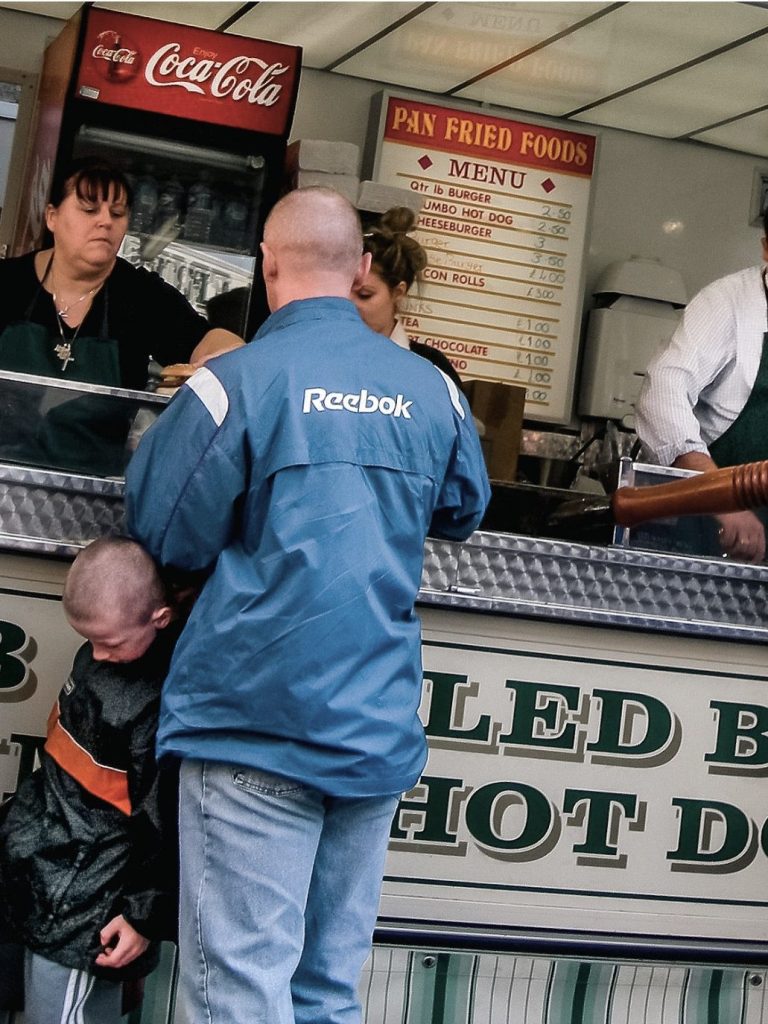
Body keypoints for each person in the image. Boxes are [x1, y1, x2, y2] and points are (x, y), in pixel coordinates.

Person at [125, 185, 490, 1024]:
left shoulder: (231, 386)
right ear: (362, 266)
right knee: (326, 992)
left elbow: (167, 531)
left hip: (256, 717)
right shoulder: (431, 392)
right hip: (373, 725)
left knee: (239, 992)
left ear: (268, 264)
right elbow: (466, 509)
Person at [0, 536, 181, 1024]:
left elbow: (164, 826)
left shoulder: (155, 708)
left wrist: (144, 916)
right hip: (49, 876)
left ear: (160, 619)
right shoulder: (101, 659)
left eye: (111, 642)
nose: (97, 654)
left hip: (87, 911)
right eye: (89, 639)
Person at [0, 156, 243, 389]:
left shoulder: (140, 294)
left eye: (117, 213)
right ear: (52, 217)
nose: (105, 222)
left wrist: (235, 357)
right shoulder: (9, 281)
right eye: (89, 209)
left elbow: (203, 340)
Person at [635, 215, 768, 563]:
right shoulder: (727, 303)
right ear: (767, 248)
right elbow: (665, 389)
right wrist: (721, 497)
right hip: (707, 534)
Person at [352, 205, 464, 389]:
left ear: (398, 292)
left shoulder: (433, 368)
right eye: (342, 292)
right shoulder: (321, 353)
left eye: (364, 295)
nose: (350, 303)